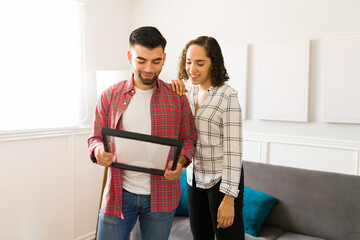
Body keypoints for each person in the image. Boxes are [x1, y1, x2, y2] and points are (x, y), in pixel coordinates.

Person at [87, 26, 197, 240]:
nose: (148, 68)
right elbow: (94, 138)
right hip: (118, 195)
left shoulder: (177, 98)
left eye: (156, 61)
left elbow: (189, 139)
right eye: (141, 60)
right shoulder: (109, 96)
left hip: (162, 196)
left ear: (164, 58)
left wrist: (181, 161)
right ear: (130, 56)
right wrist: (99, 149)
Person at [171, 36, 244, 240]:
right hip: (194, 178)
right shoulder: (185, 94)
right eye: (188, 62)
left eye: (200, 63)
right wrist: (170, 89)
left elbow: (233, 150)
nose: (192, 68)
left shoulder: (227, 96)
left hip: (222, 181)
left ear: (214, 63)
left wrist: (229, 199)